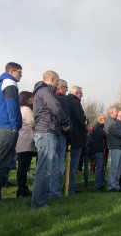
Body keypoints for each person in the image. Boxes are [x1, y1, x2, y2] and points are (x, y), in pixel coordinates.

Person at [31, 70, 70, 209]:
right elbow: (56, 107)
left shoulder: (40, 91)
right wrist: (66, 122)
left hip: (45, 130)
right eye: (57, 80)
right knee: (45, 169)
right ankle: (38, 203)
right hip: (46, 131)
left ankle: (40, 200)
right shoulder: (45, 91)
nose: (58, 84)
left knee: (45, 168)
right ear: (52, 79)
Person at [0, 63, 23, 206]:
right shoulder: (9, 82)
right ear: (11, 71)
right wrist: (15, 126)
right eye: (19, 72)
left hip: (2, 127)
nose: (21, 75)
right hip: (7, 128)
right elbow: (12, 106)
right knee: (2, 164)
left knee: (2, 164)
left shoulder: (3, 82)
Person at [66, 85, 87, 195]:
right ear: (76, 93)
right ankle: (70, 189)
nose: (82, 95)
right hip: (76, 137)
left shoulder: (66, 101)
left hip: (68, 136)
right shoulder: (75, 103)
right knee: (72, 166)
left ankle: (67, 187)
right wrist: (85, 129)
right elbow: (80, 119)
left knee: (66, 166)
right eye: (81, 93)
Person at [16, 91, 37, 197]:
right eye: (31, 98)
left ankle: (22, 188)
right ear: (26, 99)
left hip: (21, 140)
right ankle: (22, 189)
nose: (33, 100)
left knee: (22, 166)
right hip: (27, 140)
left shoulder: (19, 109)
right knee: (23, 166)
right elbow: (32, 123)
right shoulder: (26, 109)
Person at [105, 107, 121, 192]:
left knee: (118, 167)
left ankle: (116, 185)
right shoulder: (109, 121)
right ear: (111, 111)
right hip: (115, 146)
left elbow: (120, 131)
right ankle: (111, 186)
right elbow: (116, 131)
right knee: (114, 167)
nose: (117, 112)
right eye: (116, 111)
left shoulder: (114, 121)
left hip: (120, 146)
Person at [53, 79, 69, 196]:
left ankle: (50, 190)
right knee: (59, 165)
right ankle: (55, 192)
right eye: (66, 88)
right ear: (61, 88)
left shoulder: (50, 97)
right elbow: (62, 114)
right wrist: (66, 124)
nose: (66, 91)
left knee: (52, 163)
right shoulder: (61, 100)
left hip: (53, 132)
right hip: (60, 133)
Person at [92, 114, 107, 189]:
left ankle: (102, 183)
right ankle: (97, 184)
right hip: (99, 150)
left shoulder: (100, 126)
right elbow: (103, 134)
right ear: (100, 119)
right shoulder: (98, 127)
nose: (105, 120)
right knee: (99, 167)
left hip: (101, 149)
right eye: (104, 118)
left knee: (102, 167)